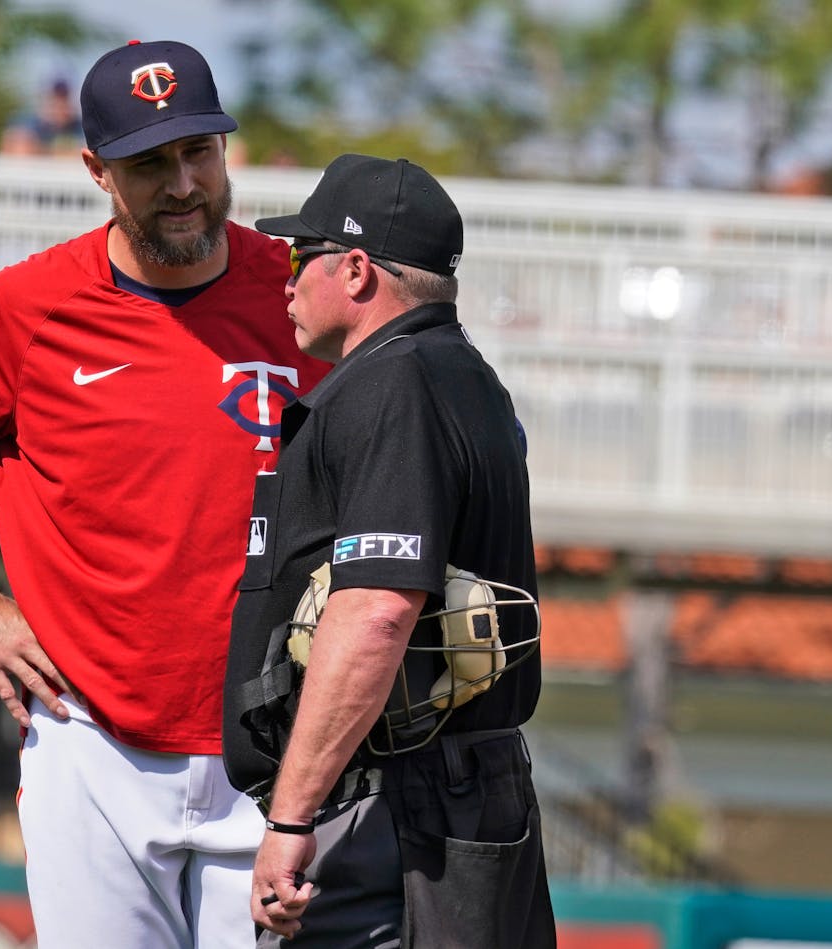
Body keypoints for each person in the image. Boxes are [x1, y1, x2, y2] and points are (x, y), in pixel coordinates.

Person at [0, 39, 328, 949]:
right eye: (149, 163)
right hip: (91, 743)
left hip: (279, 751)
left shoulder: (303, 293)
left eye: (200, 153)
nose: (183, 185)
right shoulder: (19, 311)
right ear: (95, 169)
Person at [223, 154, 556, 947]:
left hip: (395, 813)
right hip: (457, 793)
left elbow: (375, 612)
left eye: (304, 258)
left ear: (360, 269)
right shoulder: (463, 375)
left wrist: (294, 812)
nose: (287, 280)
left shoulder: (393, 384)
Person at [0, 78, 83, 157]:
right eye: (55, 100)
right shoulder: (28, 122)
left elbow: (85, 153)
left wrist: (40, 149)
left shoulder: (81, 126)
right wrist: (57, 152)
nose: (59, 106)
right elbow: (18, 148)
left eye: (63, 100)